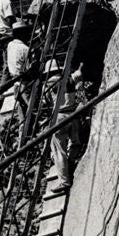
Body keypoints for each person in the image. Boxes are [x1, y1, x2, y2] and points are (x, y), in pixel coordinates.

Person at [43, 59, 82, 193]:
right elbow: (78, 79)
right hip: (73, 115)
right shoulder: (70, 79)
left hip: (59, 118)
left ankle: (64, 180)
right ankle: (70, 162)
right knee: (75, 142)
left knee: (58, 149)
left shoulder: (48, 85)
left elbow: (46, 103)